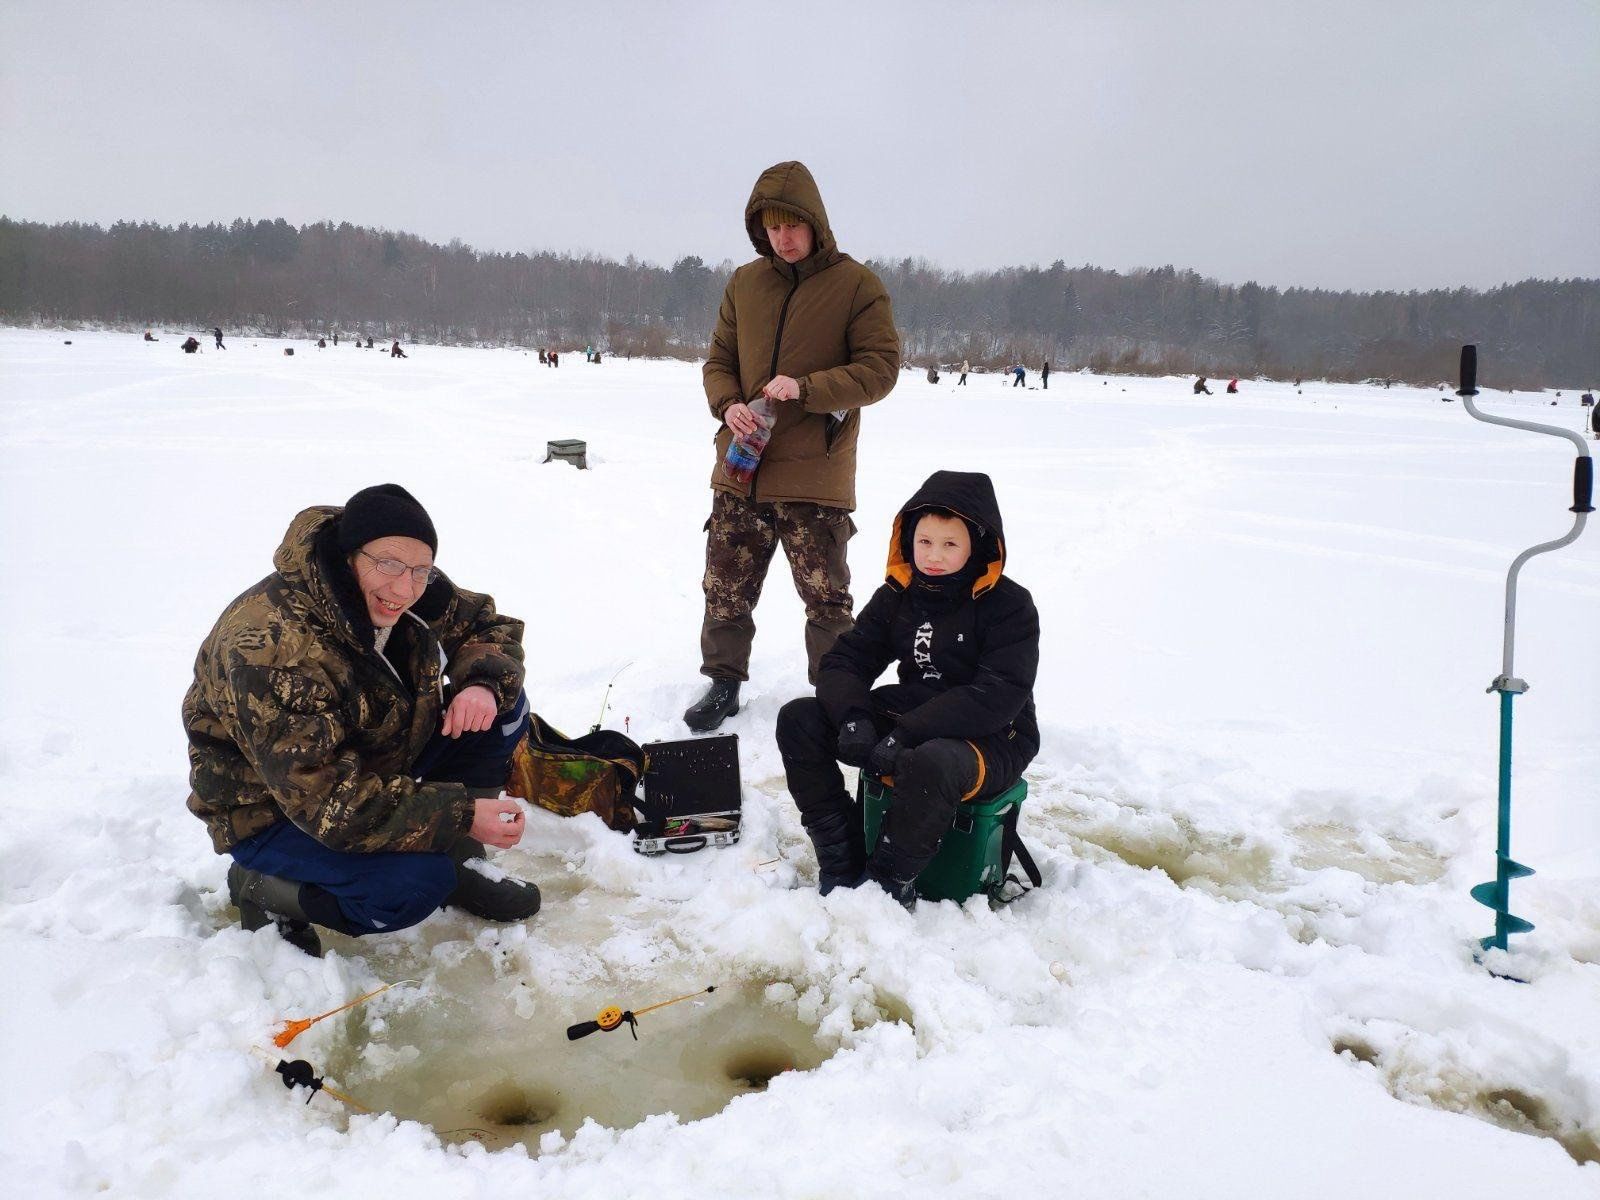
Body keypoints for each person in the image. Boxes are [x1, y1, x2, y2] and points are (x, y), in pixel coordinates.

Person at [183, 484, 542, 956]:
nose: (404, 589)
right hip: (273, 810)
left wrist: (480, 682)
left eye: (420, 570)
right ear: (351, 555)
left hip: (371, 755)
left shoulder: (402, 577)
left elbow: (485, 624)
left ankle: (459, 862)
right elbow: (328, 801)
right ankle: (261, 885)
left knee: (501, 709)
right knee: (410, 889)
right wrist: (461, 815)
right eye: (389, 566)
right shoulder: (275, 650)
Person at [685, 160, 901, 732]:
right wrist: (727, 402)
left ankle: (834, 695)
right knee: (724, 583)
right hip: (742, 463)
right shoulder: (744, 283)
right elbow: (718, 360)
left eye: (792, 225)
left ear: (816, 222)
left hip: (816, 471)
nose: (783, 237)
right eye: (772, 226)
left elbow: (880, 369)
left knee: (826, 597)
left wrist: (807, 389)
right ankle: (723, 682)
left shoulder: (857, 285)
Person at [775, 470, 1040, 906]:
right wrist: (855, 717)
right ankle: (840, 858)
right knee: (800, 719)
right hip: (915, 716)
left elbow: (997, 694)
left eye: (950, 544)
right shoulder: (899, 594)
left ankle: (886, 886)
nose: (933, 556)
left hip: (995, 734)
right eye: (924, 542)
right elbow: (846, 660)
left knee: (931, 762)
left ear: (979, 544)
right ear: (907, 540)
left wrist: (907, 732)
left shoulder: (1009, 605)